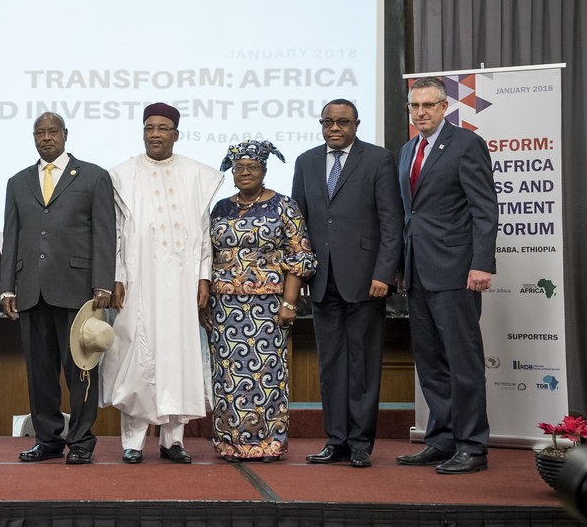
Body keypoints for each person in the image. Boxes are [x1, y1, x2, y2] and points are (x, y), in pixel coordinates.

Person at [101, 102, 223, 464]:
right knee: (137, 356)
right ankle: (134, 441)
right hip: (140, 281)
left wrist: (204, 276)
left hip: (183, 281)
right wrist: (118, 278)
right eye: (149, 128)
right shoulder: (123, 174)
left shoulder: (195, 175)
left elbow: (203, 233)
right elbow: (119, 234)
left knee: (178, 356)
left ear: (176, 134)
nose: (155, 134)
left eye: (162, 128)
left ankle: (173, 441)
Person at [0, 112, 116, 465]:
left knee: (80, 370)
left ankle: (81, 440)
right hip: (31, 290)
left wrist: (103, 283)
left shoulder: (94, 176)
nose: (46, 138)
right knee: (40, 372)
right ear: (33, 138)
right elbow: (13, 235)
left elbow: (104, 233)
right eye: (40, 133)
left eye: (53, 132)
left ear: (66, 134)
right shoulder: (17, 182)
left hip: (79, 291)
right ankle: (47, 439)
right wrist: (6, 288)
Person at [291, 99, 402, 468]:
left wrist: (384, 273)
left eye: (342, 122)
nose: (334, 128)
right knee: (331, 365)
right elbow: (299, 226)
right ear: (321, 124)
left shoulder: (378, 159)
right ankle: (336, 440)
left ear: (356, 123)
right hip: (322, 282)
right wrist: (301, 273)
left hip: (366, 279)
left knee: (364, 366)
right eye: (328, 122)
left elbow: (391, 221)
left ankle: (359, 444)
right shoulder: (306, 161)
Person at [396, 76, 498, 474]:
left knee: (463, 361)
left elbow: (484, 209)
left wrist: (482, 263)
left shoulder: (466, 144)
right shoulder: (407, 150)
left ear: (444, 107)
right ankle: (441, 440)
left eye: (428, 105)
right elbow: (412, 214)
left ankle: (472, 445)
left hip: (457, 271)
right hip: (418, 272)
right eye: (415, 106)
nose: (420, 112)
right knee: (432, 362)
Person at [205, 141, 317, 462]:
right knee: (227, 377)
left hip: (268, 306)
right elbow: (207, 255)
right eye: (239, 168)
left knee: (266, 375)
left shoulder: (284, 206)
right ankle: (229, 443)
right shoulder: (221, 208)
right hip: (224, 308)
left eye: (251, 167)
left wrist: (290, 303)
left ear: (264, 170)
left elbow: (300, 256)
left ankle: (269, 443)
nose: (244, 173)